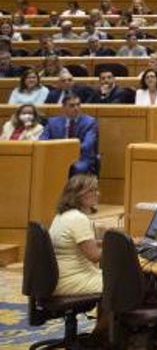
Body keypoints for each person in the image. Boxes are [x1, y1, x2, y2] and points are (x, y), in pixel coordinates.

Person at [49, 174, 105, 324]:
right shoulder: (78, 219)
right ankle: (107, 334)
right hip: (72, 280)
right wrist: (123, 250)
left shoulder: (62, 216)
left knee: (116, 278)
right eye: (92, 190)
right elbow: (95, 256)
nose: (97, 193)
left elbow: (79, 244)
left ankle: (103, 332)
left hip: (58, 279)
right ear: (78, 195)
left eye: (96, 190)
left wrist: (112, 243)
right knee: (124, 281)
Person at [40, 92, 99, 175]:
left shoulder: (90, 122)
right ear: (64, 107)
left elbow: (87, 145)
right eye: (72, 106)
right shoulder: (52, 122)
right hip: (57, 156)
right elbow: (42, 141)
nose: (76, 108)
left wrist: (66, 152)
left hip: (80, 157)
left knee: (76, 168)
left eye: (78, 105)